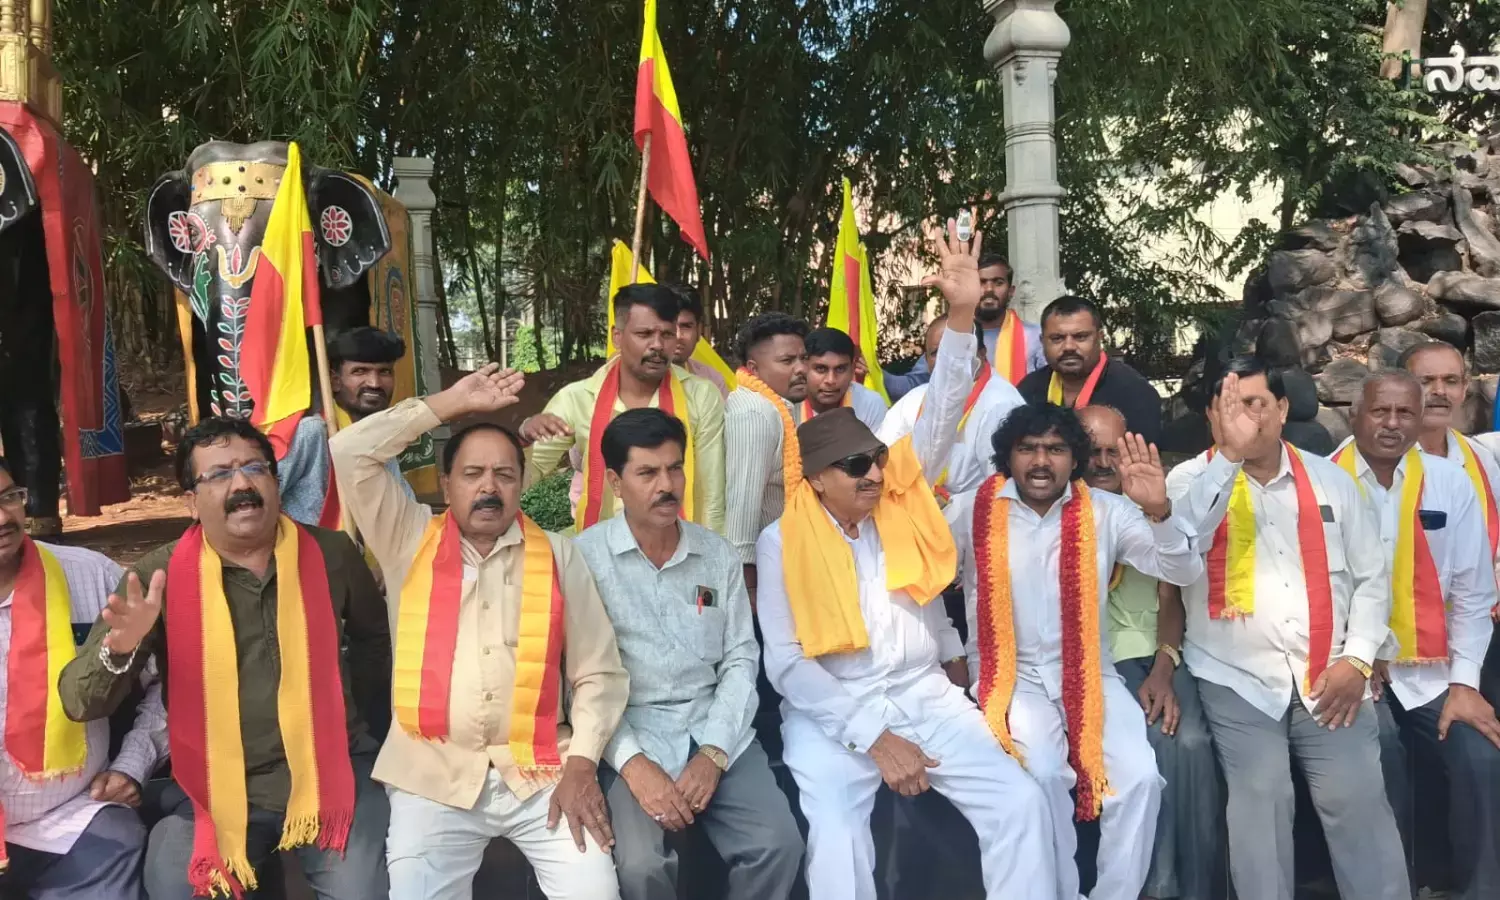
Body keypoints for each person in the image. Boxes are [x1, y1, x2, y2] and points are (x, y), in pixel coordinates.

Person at [757, 221, 1058, 900]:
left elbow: (942, 410)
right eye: (855, 467)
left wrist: (961, 315)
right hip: (837, 711)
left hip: (925, 694)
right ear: (817, 479)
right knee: (838, 840)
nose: (874, 474)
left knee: (1019, 803)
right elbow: (789, 666)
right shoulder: (783, 541)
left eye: (875, 460)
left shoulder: (893, 502)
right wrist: (874, 737)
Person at [329, 363, 631, 900]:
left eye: (504, 475)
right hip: (431, 773)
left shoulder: (559, 556)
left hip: (541, 771)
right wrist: (451, 403)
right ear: (446, 485)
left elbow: (599, 674)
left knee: (596, 893)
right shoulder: (407, 538)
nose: (489, 487)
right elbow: (350, 451)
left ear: (522, 484)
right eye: (472, 474)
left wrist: (582, 765)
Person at [58, 417, 392, 900]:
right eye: (218, 474)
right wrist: (120, 648)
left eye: (254, 468)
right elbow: (79, 702)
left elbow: (372, 643)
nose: (241, 485)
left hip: (332, 775)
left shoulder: (332, 553)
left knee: (363, 891)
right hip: (214, 789)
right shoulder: (159, 576)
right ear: (192, 502)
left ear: (275, 481)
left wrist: (357, 722)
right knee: (179, 885)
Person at [1165, 357, 1407, 900]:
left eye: (1255, 404)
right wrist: (1228, 459)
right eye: (1229, 407)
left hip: (1329, 672)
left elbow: (1372, 579)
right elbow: (1180, 553)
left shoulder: (1331, 481)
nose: (1244, 418)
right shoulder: (1189, 481)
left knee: (1357, 800)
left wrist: (1357, 659)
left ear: (1281, 409)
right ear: (1211, 417)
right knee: (1262, 798)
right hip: (1235, 675)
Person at [944, 403, 1197, 900]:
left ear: (1074, 458)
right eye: (1028, 449)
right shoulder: (972, 509)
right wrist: (950, 653)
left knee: (1141, 780)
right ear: (1008, 457)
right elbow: (921, 579)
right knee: (1041, 775)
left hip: (1090, 671)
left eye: (1055, 449)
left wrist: (1161, 513)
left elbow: (1182, 571)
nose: (1041, 461)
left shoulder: (1107, 512)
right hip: (1009, 676)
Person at [575, 408, 804, 900]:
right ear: (615, 482)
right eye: (647, 472)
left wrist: (714, 753)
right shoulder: (585, 559)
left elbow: (740, 659)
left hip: (714, 725)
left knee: (778, 845)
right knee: (639, 867)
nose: (667, 485)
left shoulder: (716, 554)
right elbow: (581, 680)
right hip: (629, 731)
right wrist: (633, 764)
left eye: (674, 468)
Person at [1330, 371, 1500, 900]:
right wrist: (1359, 655)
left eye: (1405, 412)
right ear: (1355, 415)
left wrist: (1466, 684)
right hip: (1352, 669)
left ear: (1420, 417)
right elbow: (1310, 591)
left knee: (1482, 756)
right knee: (1378, 753)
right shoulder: (1321, 481)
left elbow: (1473, 592)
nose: (1392, 423)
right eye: (1380, 411)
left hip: (1432, 671)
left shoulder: (1450, 482)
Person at [0, 457, 163, 898]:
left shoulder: (90, 577)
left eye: (8, 497)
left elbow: (168, 680)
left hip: (70, 814)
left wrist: (132, 765)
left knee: (116, 844)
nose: (2, 518)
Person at [1077, 405, 1222, 900]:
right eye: (1091, 450)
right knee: (1150, 749)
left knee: (1190, 742)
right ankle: (1155, 885)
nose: (1102, 462)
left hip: (1156, 650)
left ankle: (1194, 888)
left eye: (1112, 452)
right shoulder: (1058, 508)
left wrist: (1163, 667)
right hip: (1091, 661)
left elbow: (1171, 593)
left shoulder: (1149, 508)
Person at [523, 283, 726, 535]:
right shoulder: (577, 399)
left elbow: (712, 493)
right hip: (599, 547)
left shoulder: (701, 396)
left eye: (667, 334)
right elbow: (526, 476)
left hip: (678, 545)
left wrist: (711, 552)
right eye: (644, 334)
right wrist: (524, 439)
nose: (657, 345)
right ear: (617, 337)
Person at [279, 326, 414, 526]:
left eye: (384, 372)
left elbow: (406, 511)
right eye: (360, 371)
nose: (374, 383)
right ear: (335, 381)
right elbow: (262, 495)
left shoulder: (380, 441)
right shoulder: (313, 432)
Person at [882, 314, 1025, 499]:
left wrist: (950, 503)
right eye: (936, 353)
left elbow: (1003, 489)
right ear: (926, 360)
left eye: (959, 349)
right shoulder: (914, 399)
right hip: (910, 507)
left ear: (982, 353)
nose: (947, 359)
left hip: (967, 514)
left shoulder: (1002, 404)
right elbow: (881, 457)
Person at [1017, 296, 1162, 446]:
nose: (1069, 347)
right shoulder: (1028, 389)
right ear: (1042, 342)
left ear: (1100, 337)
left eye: (1080, 337)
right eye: (1057, 338)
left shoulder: (1134, 393)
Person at [973, 253, 1045, 384]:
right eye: (981, 282)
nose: (989, 289)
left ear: (1011, 291)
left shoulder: (1036, 336)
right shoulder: (955, 336)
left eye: (998, 283)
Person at [802, 326, 888, 431]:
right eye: (821, 369)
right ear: (803, 367)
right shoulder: (788, 404)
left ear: (853, 369)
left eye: (840, 369)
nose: (831, 380)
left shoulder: (870, 404)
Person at [665, 281, 730, 398]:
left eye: (686, 326)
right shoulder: (634, 380)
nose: (678, 335)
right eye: (670, 326)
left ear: (699, 330)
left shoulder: (712, 381)